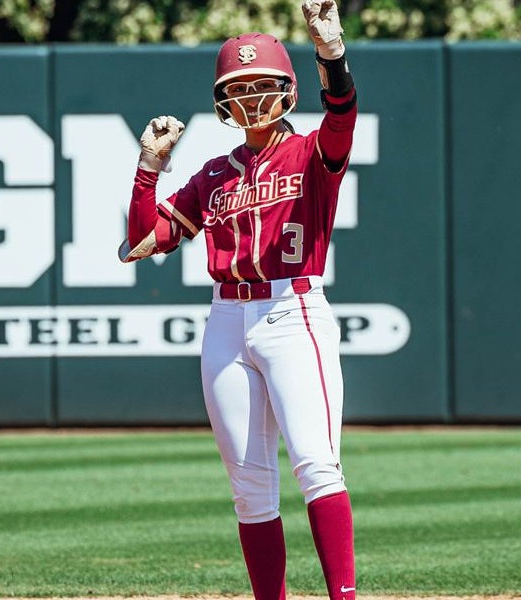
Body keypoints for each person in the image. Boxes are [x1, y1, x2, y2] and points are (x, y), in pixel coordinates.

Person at [116, 2, 358, 599]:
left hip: (292, 308)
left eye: (262, 85)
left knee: (316, 465)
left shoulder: (310, 154)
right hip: (226, 316)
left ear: (287, 90)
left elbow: (342, 115)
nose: (251, 97)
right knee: (250, 487)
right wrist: (149, 169)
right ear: (223, 100)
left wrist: (332, 56)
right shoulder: (213, 174)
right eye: (239, 87)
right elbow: (144, 241)